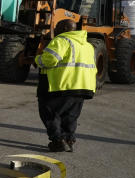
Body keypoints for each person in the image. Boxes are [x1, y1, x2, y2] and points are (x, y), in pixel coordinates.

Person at [34, 19, 96, 152]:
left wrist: (37, 59)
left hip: (62, 85)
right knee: (71, 115)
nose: (54, 29)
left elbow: (50, 59)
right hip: (83, 87)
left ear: (63, 29)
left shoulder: (61, 40)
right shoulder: (87, 45)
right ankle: (69, 139)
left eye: (57, 27)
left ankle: (58, 140)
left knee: (50, 112)